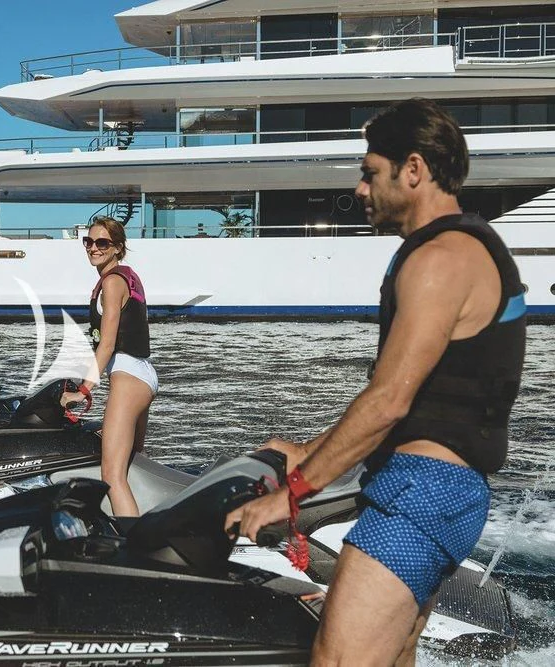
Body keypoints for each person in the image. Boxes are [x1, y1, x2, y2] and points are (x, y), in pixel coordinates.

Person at [224, 98, 526, 665]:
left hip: (423, 494)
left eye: (369, 173)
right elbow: (415, 402)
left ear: (412, 170)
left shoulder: (442, 258)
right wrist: (305, 452)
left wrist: (293, 494)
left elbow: (389, 401)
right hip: (435, 489)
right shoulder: (454, 249)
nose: (361, 190)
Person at [61, 215, 157, 517]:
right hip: (142, 375)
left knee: (112, 477)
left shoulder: (113, 283)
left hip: (128, 375)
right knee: (132, 463)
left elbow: (108, 343)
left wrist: (84, 390)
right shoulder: (125, 277)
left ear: (117, 248)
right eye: (88, 241)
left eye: (102, 242)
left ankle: (135, 550)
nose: (93, 247)